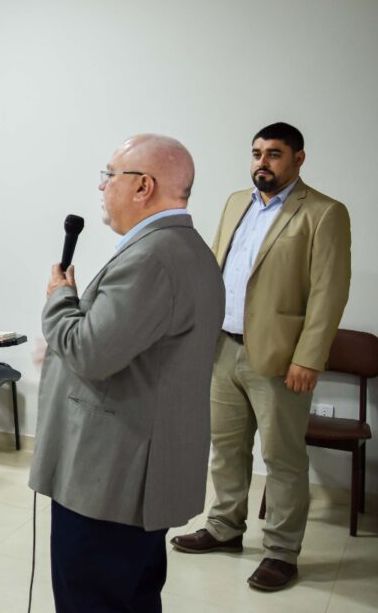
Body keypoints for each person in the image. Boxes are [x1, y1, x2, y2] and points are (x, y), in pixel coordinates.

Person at [29, 135, 223, 613]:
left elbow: (91, 352)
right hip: (137, 465)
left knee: (91, 598)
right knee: (132, 596)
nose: (101, 188)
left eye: (109, 175)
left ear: (143, 186)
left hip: (109, 474)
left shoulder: (152, 258)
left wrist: (59, 298)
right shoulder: (185, 248)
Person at [170, 123, 352, 592]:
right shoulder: (237, 202)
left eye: (273, 154)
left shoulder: (323, 213)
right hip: (222, 347)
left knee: (282, 460)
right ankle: (225, 528)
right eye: (256, 153)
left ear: (298, 159)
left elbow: (329, 293)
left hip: (279, 357)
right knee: (226, 450)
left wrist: (309, 357)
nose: (261, 163)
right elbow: (215, 266)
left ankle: (281, 551)